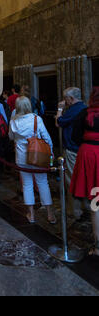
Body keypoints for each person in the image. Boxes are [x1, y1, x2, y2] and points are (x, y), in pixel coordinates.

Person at [9, 96, 56, 225]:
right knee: (43, 183)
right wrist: (51, 152)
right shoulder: (36, 119)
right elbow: (46, 137)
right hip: (38, 155)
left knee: (27, 185)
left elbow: (10, 136)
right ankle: (50, 214)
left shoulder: (13, 121)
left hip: (21, 157)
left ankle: (32, 214)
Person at [70, 87, 99, 258]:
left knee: (96, 202)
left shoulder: (84, 113)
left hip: (89, 154)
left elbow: (75, 137)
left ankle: (97, 246)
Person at [56, 87, 87, 219]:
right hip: (84, 149)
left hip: (72, 150)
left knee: (71, 180)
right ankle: (86, 206)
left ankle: (75, 210)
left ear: (71, 98)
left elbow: (59, 122)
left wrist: (59, 109)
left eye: (66, 98)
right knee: (84, 178)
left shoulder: (73, 110)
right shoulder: (85, 107)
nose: (65, 101)